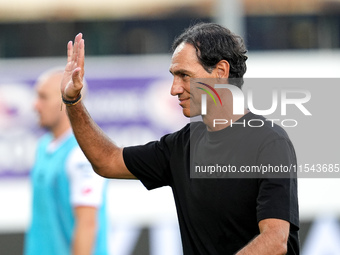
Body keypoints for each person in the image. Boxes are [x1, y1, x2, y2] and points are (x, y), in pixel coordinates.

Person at [61, 23, 299, 254]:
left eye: (184, 75)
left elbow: (275, 241)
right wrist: (73, 101)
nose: (174, 89)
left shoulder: (270, 142)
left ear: (221, 72)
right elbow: (107, 161)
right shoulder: (180, 146)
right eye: (174, 76)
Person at [24, 68, 109, 255]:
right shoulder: (43, 147)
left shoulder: (82, 153)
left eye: (43, 97)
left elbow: (87, 224)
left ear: (65, 101)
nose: (35, 106)